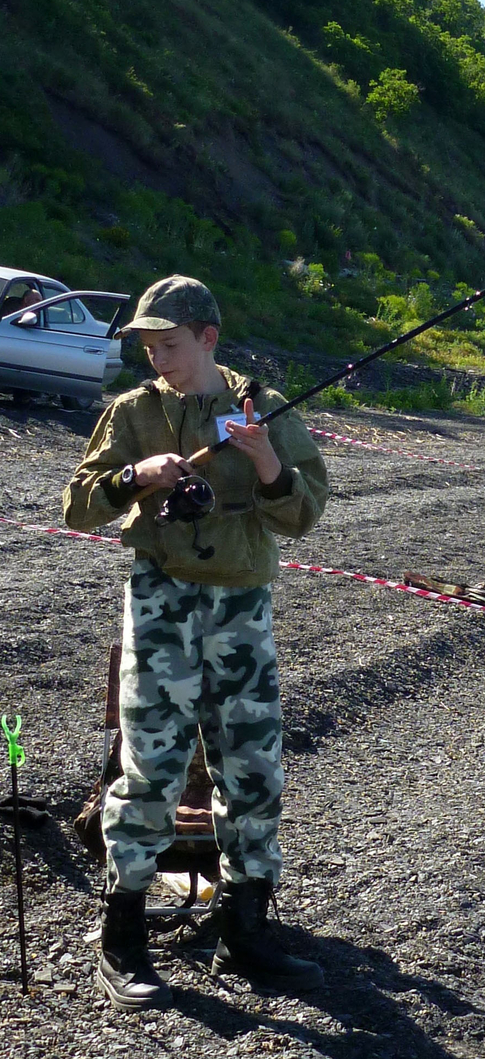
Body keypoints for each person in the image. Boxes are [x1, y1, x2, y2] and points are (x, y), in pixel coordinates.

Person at [62, 275, 329, 1011]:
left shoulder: (261, 408)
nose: (157, 358)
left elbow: (303, 513)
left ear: (207, 338)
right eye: (147, 346)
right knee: (151, 765)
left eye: (169, 345)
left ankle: (244, 931)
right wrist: (134, 475)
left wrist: (267, 460)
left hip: (241, 603)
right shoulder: (131, 412)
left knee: (252, 769)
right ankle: (122, 940)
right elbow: (78, 506)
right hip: (161, 598)